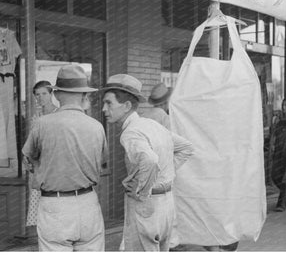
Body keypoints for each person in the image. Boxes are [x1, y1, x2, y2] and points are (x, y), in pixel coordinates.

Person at [101, 74, 194, 251]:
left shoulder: (131, 133)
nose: (104, 109)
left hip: (147, 206)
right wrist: (164, 175)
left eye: (109, 103)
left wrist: (142, 190)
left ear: (127, 106)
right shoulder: (152, 125)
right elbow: (187, 148)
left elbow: (150, 160)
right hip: (166, 204)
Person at [22, 64, 108, 251]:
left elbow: (28, 160)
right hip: (88, 202)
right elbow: (102, 163)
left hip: (55, 205)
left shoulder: (42, 124)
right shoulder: (97, 127)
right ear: (84, 96)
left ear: (57, 94)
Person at [25, 81, 58, 229]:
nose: (40, 97)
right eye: (37, 95)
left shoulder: (59, 114)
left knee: (54, 204)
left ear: (51, 94)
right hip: (39, 164)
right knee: (39, 202)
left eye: (44, 93)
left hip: (55, 164)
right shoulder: (36, 117)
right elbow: (32, 142)